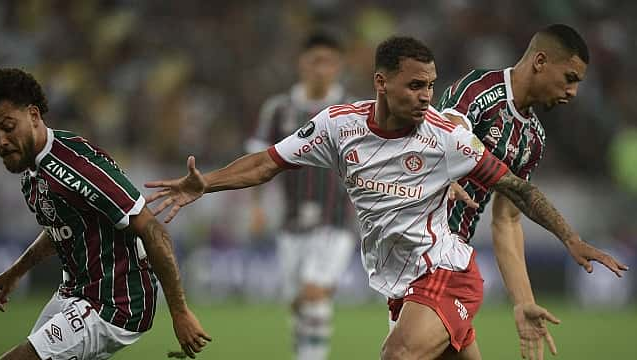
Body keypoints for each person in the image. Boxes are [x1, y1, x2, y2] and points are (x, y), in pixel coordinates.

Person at [144, 37, 627, 359]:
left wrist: (570, 237)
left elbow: (516, 190)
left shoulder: (446, 138)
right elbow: (267, 162)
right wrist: (205, 182)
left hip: (448, 273)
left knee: (395, 355)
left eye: (431, 86)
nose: (425, 96)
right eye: (415, 85)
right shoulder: (339, 126)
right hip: (400, 281)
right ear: (382, 82)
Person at [0, 68, 211, 360]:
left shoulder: (78, 165)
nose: (0, 141)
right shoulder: (33, 170)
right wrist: (16, 272)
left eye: (7, 127)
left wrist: (179, 312)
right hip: (74, 293)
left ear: (33, 116)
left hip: (115, 303)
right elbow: (63, 227)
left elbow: (151, 229)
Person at [436, 24, 597, 359]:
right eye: (570, 77)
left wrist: (524, 302)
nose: (573, 91)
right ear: (540, 61)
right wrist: (443, 165)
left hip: (453, 254)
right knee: (406, 352)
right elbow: (448, 133)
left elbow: (506, 222)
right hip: (424, 245)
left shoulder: (532, 138)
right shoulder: (479, 89)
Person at [245, 31, 356, 360]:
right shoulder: (278, 110)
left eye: (328, 62)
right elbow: (257, 160)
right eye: (314, 61)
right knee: (299, 305)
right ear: (301, 64)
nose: (321, 68)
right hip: (291, 222)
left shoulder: (351, 109)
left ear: (338, 66)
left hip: (335, 219)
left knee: (314, 293)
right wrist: (256, 206)